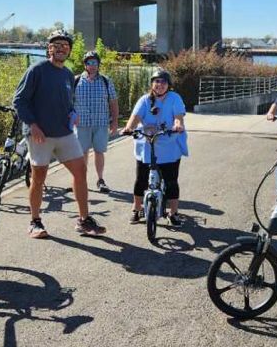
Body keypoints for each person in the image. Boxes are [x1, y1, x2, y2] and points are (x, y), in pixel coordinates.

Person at [13, 29, 107, 239]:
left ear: (69, 50)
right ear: (49, 49)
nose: (60, 49)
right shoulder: (37, 70)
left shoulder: (67, 74)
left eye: (65, 46)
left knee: (80, 172)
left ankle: (84, 220)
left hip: (64, 133)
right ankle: (35, 222)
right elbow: (19, 100)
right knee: (38, 178)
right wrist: (33, 125)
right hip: (40, 135)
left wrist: (72, 112)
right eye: (56, 45)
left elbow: (68, 101)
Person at [121, 69, 188, 225]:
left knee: (171, 181)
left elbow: (178, 116)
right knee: (141, 180)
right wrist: (129, 128)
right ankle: (136, 209)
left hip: (169, 144)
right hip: (148, 143)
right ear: (152, 84)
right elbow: (135, 116)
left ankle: (173, 213)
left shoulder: (174, 98)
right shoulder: (145, 100)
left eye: (163, 82)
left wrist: (178, 125)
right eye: (156, 81)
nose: (160, 85)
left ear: (168, 85)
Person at [73, 50, 119, 194]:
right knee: (82, 153)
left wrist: (115, 122)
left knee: (99, 151)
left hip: (101, 122)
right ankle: (81, 180)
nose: (92, 66)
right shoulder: (76, 81)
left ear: (98, 64)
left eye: (95, 63)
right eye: (89, 63)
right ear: (85, 65)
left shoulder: (106, 81)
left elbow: (113, 102)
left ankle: (100, 180)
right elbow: (68, 103)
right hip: (81, 124)